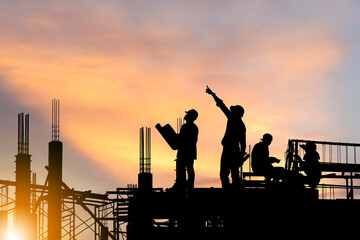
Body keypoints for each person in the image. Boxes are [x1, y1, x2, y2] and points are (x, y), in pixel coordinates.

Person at [206, 86, 246, 188]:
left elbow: (222, 106)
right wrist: (241, 155)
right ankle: (232, 189)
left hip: (230, 150)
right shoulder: (240, 124)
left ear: (237, 113)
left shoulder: (233, 119)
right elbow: (243, 143)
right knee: (233, 174)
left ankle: (227, 190)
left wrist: (213, 94)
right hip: (234, 151)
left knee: (225, 173)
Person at [175, 109, 199, 191]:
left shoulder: (187, 127)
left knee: (185, 169)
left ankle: (183, 186)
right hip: (189, 151)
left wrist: (178, 138)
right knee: (188, 169)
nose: (186, 115)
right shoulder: (193, 127)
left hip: (185, 151)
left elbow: (186, 139)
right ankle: (187, 186)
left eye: (188, 114)